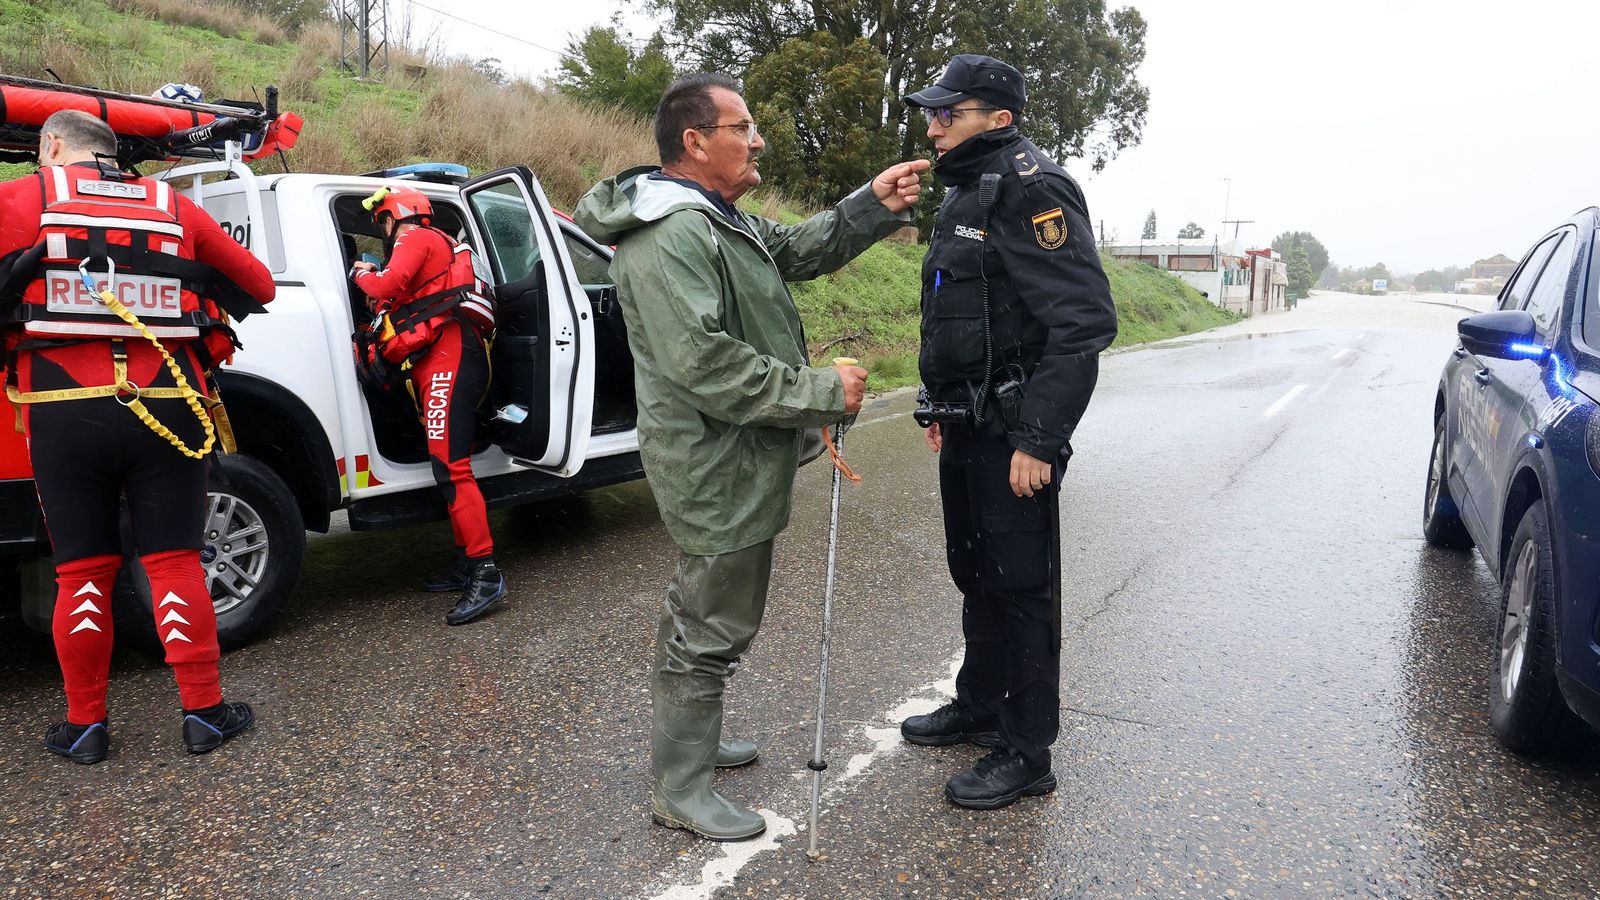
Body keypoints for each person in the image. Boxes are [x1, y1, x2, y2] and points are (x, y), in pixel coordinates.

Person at [574, 73, 928, 841]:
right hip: (712, 461)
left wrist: (872, 202)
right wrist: (820, 391)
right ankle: (681, 788)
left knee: (704, 608)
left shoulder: (712, 215)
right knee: (711, 622)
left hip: (733, 449)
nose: (758, 138)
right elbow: (702, 364)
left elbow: (798, 247)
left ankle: (693, 742)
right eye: (742, 126)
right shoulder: (673, 235)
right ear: (695, 141)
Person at [0, 110, 275, 764]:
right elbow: (257, 286)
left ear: (53, 146)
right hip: (169, 401)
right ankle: (205, 714)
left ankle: (87, 727)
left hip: (63, 407)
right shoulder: (172, 204)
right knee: (175, 560)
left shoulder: (21, 197)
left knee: (82, 572)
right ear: (114, 155)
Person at [899, 55, 1117, 809]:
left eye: (945, 113)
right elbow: (954, 312)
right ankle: (980, 703)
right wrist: (936, 399)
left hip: (1014, 430)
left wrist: (1039, 438)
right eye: (931, 114)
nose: (931, 127)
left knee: (1022, 587)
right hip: (966, 421)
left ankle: (1026, 750)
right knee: (975, 572)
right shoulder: (965, 189)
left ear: (999, 117)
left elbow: (1083, 323)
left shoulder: (1035, 189)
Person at [352, 185, 504, 626]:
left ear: (395, 213)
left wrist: (360, 272)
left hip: (450, 357)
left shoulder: (415, 237)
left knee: (452, 467)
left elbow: (387, 284)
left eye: (382, 219)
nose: (382, 228)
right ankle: (466, 562)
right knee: (446, 467)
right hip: (439, 358)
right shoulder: (429, 244)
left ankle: (485, 571)